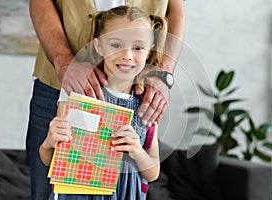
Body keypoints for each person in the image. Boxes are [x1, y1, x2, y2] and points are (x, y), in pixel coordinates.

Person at [27, 0, 185, 199]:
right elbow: (50, 158)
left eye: (138, 47)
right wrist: (50, 141)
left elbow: (153, 172)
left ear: (150, 50)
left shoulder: (146, 102)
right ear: (99, 46)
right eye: (116, 45)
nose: (127, 56)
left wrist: (136, 150)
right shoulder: (76, 95)